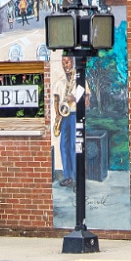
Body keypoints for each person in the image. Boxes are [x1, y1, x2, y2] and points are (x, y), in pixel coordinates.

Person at [52, 55, 77, 188]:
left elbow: (87, 101)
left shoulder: (78, 81)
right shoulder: (60, 82)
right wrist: (57, 115)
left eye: (67, 62)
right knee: (63, 146)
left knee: (73, 146)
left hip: (74, 114)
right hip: (64, 115)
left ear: (72, 62)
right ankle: (67, 176)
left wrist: (74, 97)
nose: (64, 65)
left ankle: (75, 176)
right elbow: (56, 100)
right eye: (63, 63)